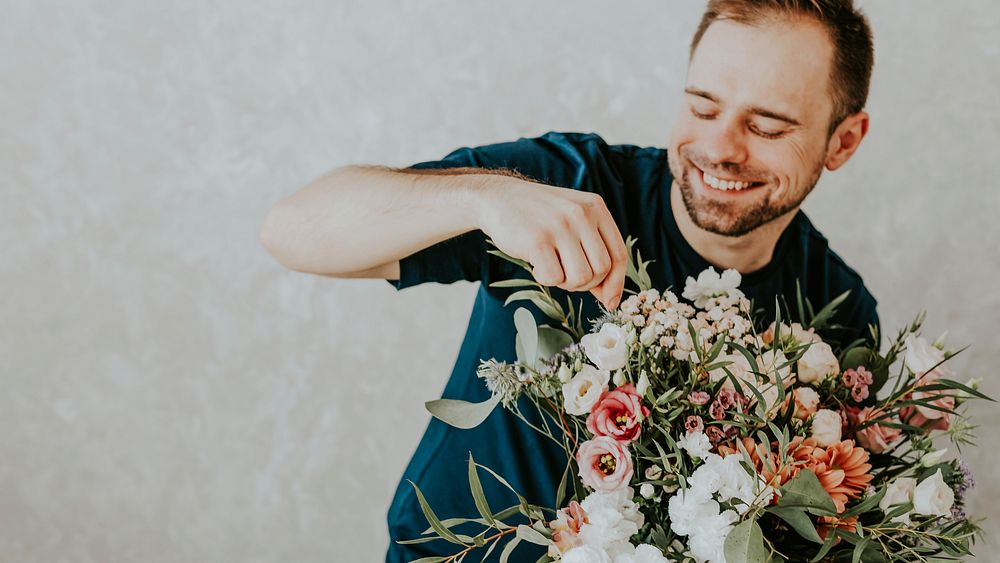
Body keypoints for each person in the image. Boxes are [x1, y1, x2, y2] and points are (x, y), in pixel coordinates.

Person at [259, 1, 880, 560]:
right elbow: (290, 231)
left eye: (768, 126)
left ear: (844, 140)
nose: (719, 147)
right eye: (702, 106)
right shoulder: (566, 184)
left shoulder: (841, 314)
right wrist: (483, 198)